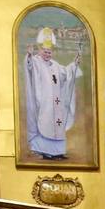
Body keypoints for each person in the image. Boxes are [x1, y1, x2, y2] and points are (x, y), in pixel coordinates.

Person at [23, 27, 83, 161]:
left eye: (49, 52)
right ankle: (44, 151)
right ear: (40, 50)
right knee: (45, 124)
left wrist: (74, 64)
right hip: (43, 103)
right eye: (45, 51)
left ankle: (58, 152)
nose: (47, 54)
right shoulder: (37, 62)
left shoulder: (55, 65)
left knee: (57, 125)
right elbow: (29, 66)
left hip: (56, 104)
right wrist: (29, 56)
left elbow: (66, 74)